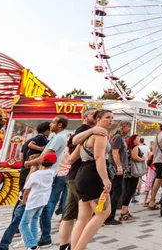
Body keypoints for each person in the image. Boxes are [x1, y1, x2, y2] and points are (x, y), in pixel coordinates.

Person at [58, 107, 101, 250]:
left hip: (73, 177)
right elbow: (75, 154)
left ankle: (66, 245)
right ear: (84, 116)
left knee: (70, 214)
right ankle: (76, 246)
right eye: (92, 114)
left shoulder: (84, 131)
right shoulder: (84, 130)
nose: (95, 117)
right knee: (89, 215)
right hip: (80, 176)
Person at [23, 115, 69, 248]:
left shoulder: (59, 137)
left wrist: (29, 162)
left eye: (53, 122)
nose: (50, 125)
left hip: (50, 174)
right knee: (44, 206)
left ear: (59, 124)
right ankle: (39, 237)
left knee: (46, 205)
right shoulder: (56, 137)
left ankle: (44, 237)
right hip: (52, 173)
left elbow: (46, 155)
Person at [71, 109, 114, 250]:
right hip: (93, 175)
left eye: (112, 118)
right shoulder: (101, 133)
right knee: (103, 213)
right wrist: (105, 179)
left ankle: (74, 247)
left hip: (81, 174)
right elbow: (99, 157)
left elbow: (71, 158)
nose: (111, 120)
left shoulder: (86, 137)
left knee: (83, 217)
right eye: (107, 117)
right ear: (98, 119)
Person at [19, 153, 56, 250]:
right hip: (43, 200)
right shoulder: (52, 173)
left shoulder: (35, 174)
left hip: (34, 200)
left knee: (23, 224)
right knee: (34, 221)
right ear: (53, 163)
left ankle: (32, 245)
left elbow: (27, 188)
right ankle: (34, 242)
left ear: (41, 161)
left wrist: (24, 198)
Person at [106, 120, 132, 226]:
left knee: (115, 192)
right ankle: (109, 217)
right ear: (123, 127)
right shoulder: (117, 137)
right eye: (128, 127)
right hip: (116, 169)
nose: (129, 129)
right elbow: (115, 152)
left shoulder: (120, 137)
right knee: (117, 192)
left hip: (118, 168)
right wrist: (119, 166)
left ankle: (108, 215)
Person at [120, 134, 145, 221]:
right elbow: (135, 157)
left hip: (127, 172)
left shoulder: (127, 147)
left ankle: (125, 211)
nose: (138, 140)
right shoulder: (135, 147)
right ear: (133, 140)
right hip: (133, 172)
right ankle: (123, 212)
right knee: (130, 192)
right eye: (137, 139)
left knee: (127, 191)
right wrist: (142, 159)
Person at [147, 123, 162, 209]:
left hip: (156, 160)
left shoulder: (156, 137)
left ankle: (154, 198)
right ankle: (152, 200)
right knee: (158, 179)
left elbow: (153, 150)